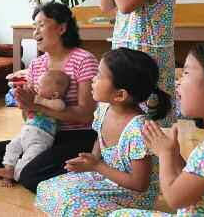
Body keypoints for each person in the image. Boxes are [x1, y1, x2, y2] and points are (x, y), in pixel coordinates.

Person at [109, 41, 204, 217]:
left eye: (186, 73)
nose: (178, 82)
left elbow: (175, 197)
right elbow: (190, 181)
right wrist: (175, 155)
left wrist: (165, 154)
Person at [0, 1, 99, 193]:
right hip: (42, 134)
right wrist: (25, 105)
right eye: (34, 27)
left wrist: (38, 106)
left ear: (61, 28)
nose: (35, 33)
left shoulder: (84, 60)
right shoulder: (36, 66)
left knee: (30, 176)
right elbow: (30, 118)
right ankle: (38, 167)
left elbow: (86, 114)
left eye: (41, 25)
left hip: (78, 135)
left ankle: (83, 168)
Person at [36, 47, 171, 216]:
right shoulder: (104, 109)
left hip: (133, 196)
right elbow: (99, 139)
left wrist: (97, 166)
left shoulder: (138, 130)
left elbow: (140, 184)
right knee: (48, 188)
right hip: (108, 178)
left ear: (120, 95)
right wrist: (91, 159)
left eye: (99, 75)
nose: (93, 79)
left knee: (75, 207)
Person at [0, 70, 70, 187]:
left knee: (30, 157)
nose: (36, 89)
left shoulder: (55, 102)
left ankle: (15, 175)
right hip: (25, 132)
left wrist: (39, 101)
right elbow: (25, 114)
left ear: (54, 95)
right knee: (12, 147)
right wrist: (24, 103)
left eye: (40, 86)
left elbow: (61, 107)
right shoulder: (37, 98)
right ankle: (8, 169)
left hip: (41, 138)